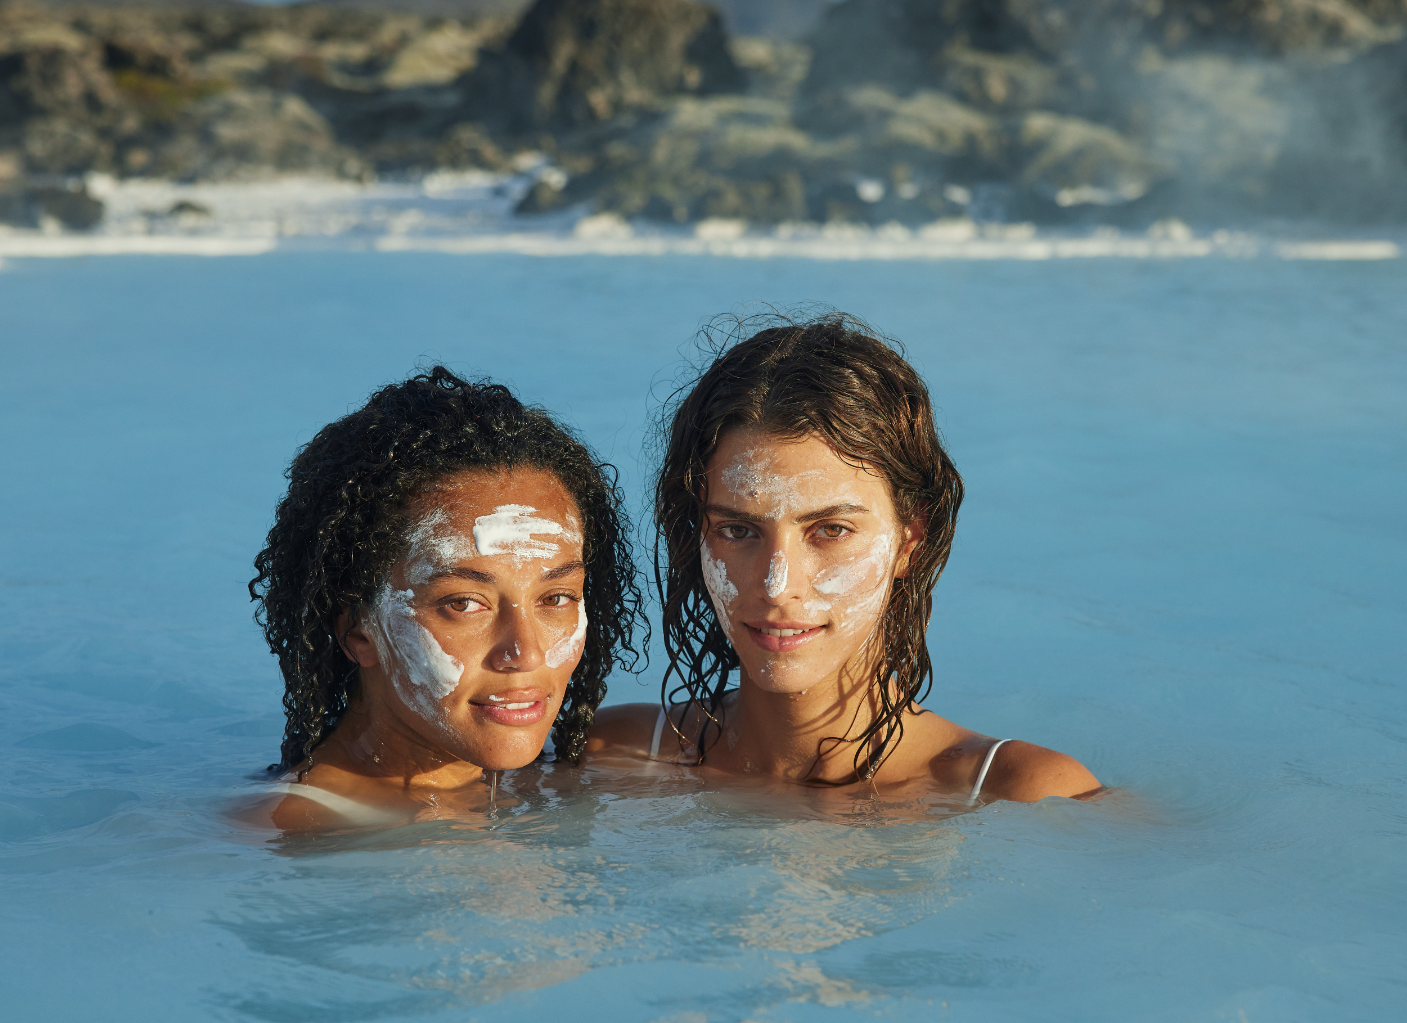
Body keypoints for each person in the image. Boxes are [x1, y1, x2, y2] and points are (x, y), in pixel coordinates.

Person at [588, 313, 1097, 804]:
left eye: (830, 530)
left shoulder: (1024, 793)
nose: (775, 583)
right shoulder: (609, 757)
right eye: (738, 530)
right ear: (695, 534)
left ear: (910, 538)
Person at [243, 366, 641, 832]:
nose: (525, 654)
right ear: (358, 631)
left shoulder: (598, 771)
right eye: (465, 603)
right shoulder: (287, 832)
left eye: (555, 597)